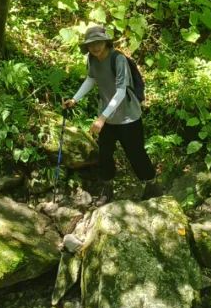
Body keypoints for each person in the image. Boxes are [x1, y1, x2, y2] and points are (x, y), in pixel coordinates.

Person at [63, 25, 159, 203]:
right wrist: (75, 99)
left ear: (106, 42)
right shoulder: (92, 59)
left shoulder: (118, 59)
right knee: (105, 153)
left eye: (98, 42)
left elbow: (121, 91)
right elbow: (91, 78)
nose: (95, 47)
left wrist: (101, 118)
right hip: (107, 116)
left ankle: (151, 184)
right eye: (91, 44)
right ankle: (107, 187)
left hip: (128, 116)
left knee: (135, 153)